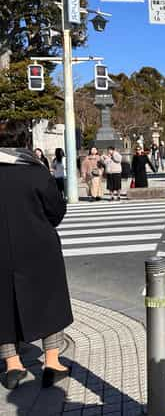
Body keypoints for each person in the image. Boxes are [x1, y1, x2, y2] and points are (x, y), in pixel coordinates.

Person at [0, 148, 72, 390]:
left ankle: (12, 365)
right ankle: (52, 363)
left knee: (3, 304)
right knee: (48, 299)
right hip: (39, 246)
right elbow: (56, 210)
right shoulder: (35, 172)